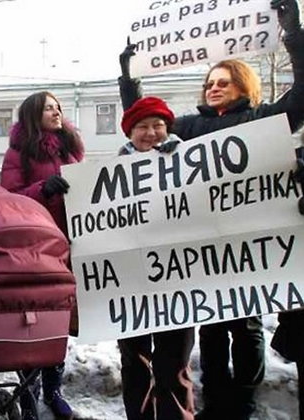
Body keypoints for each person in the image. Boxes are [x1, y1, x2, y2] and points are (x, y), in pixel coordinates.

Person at [118, 1, 304, 418]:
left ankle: (244, 399)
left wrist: (292, 32)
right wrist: (129, 79)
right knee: (215, 325)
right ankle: (216, 397)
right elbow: (144, 123)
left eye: (224, 81)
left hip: (249, 240)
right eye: (209, 82)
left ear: (244, 85)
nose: (214, 87)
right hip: (203, 245)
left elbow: (302, 97)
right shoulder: (187, 127)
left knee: (247, 324)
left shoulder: (263, 119)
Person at [0, 91, 83, 420]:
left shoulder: (70, 148)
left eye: (58, 106)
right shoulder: (18, 152)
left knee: (60, 317)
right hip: (35, 245)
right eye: (49, 108)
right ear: (34, 115)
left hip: (69, 244)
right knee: (34, 319)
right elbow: (9, 198)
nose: (57, 112)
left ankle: (54, 388)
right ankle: (29, 391)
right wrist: (42, 190)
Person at [117, 96, 194, 420]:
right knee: (134, 360)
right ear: (130, 134)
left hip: (179, 280)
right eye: (142, 127)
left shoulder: (193, 164)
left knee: (174, 363)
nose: (150, 133)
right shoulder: (110, 174)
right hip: (131, 284)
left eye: (157, 126)